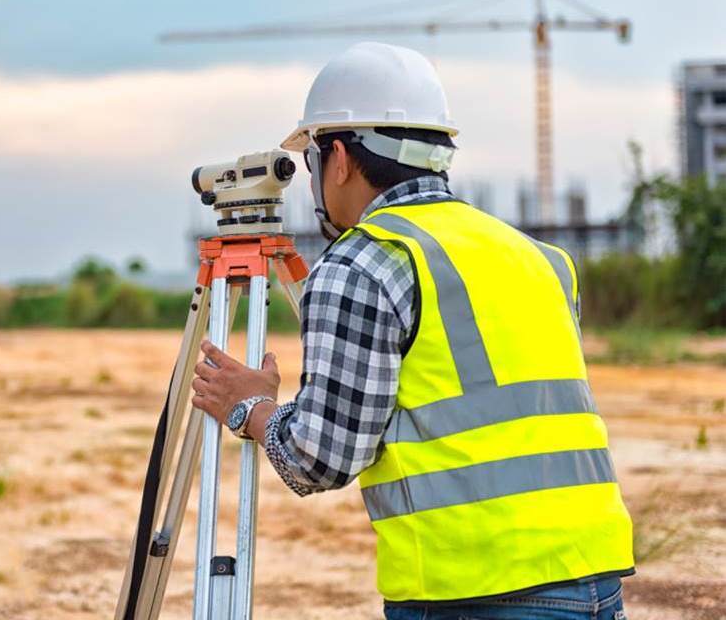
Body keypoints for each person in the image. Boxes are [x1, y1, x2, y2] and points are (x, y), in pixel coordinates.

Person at [190, 42, 633, 619]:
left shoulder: (362, 263)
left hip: (474, 594)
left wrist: (249, 407)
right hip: (594, 577)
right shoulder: (538, 257)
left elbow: (318, 459)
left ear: (341, 158)